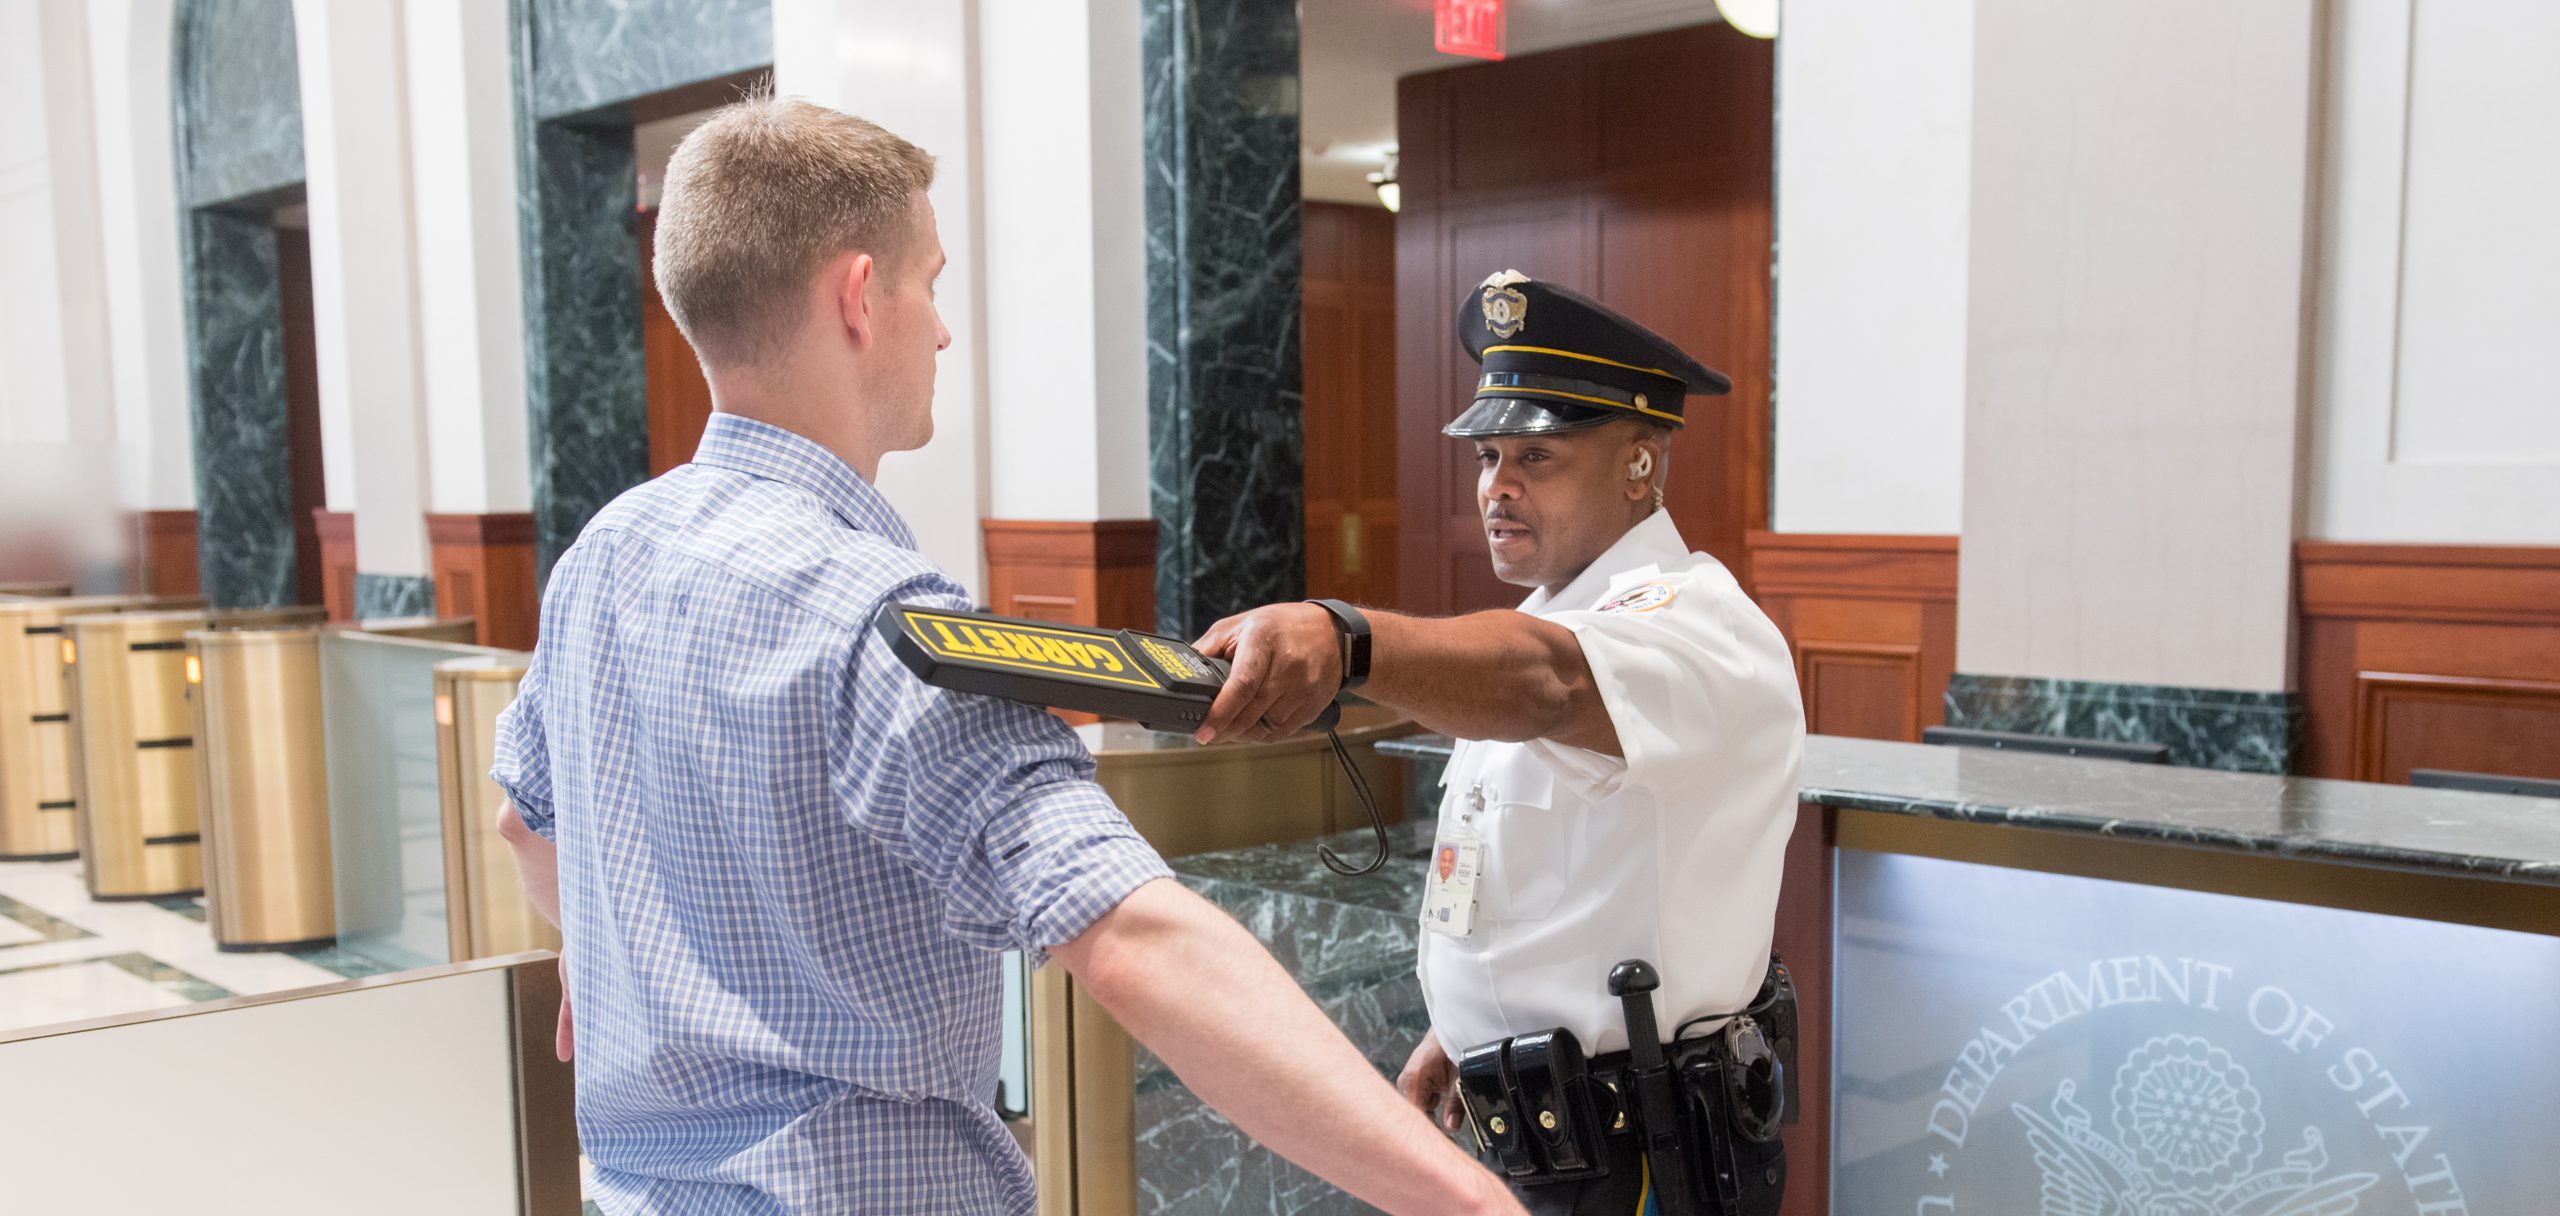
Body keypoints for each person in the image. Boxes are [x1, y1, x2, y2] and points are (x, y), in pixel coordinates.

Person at [489, 96, 1524, 1216]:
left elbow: (526, 824)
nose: (938, 328)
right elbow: (1136, 940)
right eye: (927, 282)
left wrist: (608, 967)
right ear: (855, 295)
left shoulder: (608, 552)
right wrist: (1470, 1200)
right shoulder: (876, 616)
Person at [1193, 273, 1806, 1214]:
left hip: (1649, 1156)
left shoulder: (1695, 624)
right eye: (1487, 456)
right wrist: (1474, 1026)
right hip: (1530, 1123)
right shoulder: (1552, 615)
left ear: (1642, 465)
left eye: (1538, 455)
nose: (1498, 487)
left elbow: (1545, 684)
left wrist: (1348, 638)